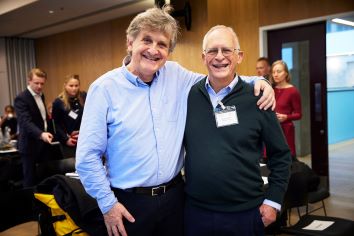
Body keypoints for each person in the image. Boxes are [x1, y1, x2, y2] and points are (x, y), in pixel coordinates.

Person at [76, 5, 275, 236]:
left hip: (176, 201)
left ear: (169, 51)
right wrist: (107, 204)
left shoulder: (176, 75)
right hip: (128, 204)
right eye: (146, 40)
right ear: (130, 43)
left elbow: (218, 77)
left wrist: (260, 82)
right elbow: (87, 156)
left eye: (162, 44)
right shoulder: (104, 89)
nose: (153, 50)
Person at [183, 25, 292, 236]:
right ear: (203, 57)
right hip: (196, 214)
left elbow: (281, 155)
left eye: (227, 50)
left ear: (239, 56)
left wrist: (273, 201)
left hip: (246, 215)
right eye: (212, 51)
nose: (219, 57)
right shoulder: (188, 97)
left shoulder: (258, 98)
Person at [14, 68, 54, 187]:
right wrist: (41, 134)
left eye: (42, 83)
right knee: (30, 180)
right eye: (36, 83)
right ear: (29, 81)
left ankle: (41, 204)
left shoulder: (41, 96)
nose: (40, 86)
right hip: (29, 145)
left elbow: (43, 118)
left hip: (43, 144)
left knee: (44, 178)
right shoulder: (21, 98)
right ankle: (29, 205)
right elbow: (26, 122)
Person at [270, 60, 302, 158]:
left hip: (286, 130)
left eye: (279, 71)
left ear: (286, 73)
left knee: (286, 160)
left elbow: (299, 114)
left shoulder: (293, 91)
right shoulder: (270, 89)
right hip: (271, 129)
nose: (275, 74)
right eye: (273, 72)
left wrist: (286, 117)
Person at [52, 74, 86, 158]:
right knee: (72, 167)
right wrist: (66, 139)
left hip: (84, 139)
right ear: (65, 85)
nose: (74, 88)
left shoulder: (83, 96)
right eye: (71, 86)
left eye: (76, 85)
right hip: (69, 141)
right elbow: (56, 125)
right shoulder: (58, 102)